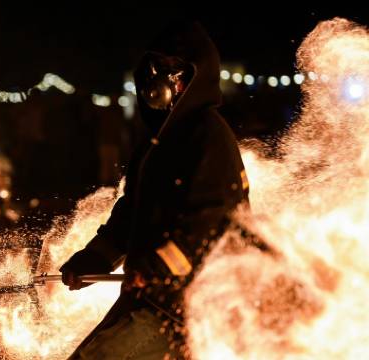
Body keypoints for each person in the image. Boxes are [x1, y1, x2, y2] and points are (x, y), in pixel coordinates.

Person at [60, 19, 250, 359]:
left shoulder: (209, 137)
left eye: (168, 69)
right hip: (149, 300)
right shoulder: (156, 143)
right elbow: (132, 212)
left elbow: (209, 223)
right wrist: (93, 259)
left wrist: (155, 268)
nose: (156, 78)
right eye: (153, 67)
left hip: (188, 308)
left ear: (190, 78)